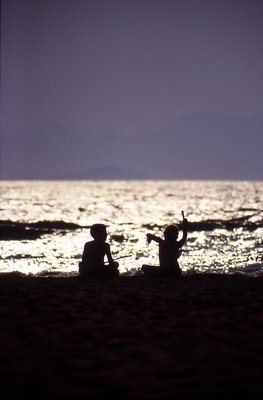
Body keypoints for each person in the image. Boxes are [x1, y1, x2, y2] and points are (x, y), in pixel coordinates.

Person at [142, 212, 188, 277]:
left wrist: (150, 238)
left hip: (164, 271)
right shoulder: (177, 244)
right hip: (176, 272)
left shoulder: (162, 242)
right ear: (175, 235)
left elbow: (148, 234)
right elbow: (184, 237)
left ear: (165, 234)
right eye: (177, 233)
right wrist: (185, 227)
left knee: (144, 267)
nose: (178, 234)